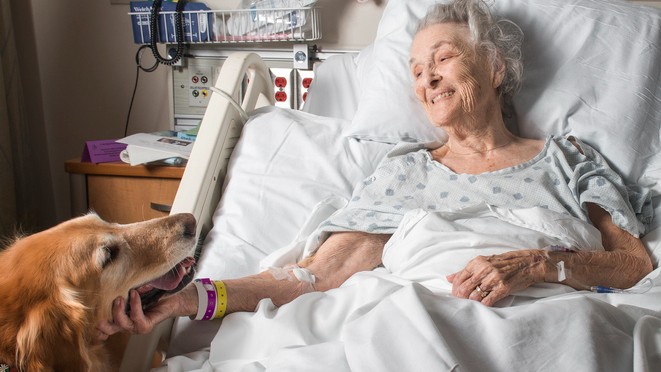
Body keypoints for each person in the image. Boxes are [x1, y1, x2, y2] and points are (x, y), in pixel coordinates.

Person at [98, 0, 653, 339]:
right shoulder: (408, 173)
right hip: (430, 319)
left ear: (495, 66)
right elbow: (313, 277)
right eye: (415, 71)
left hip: (551, 316)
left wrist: (538, 263)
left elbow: (633, 263)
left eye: (443, 58)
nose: (426, 80)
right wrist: (186, 298)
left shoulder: (569, 159)